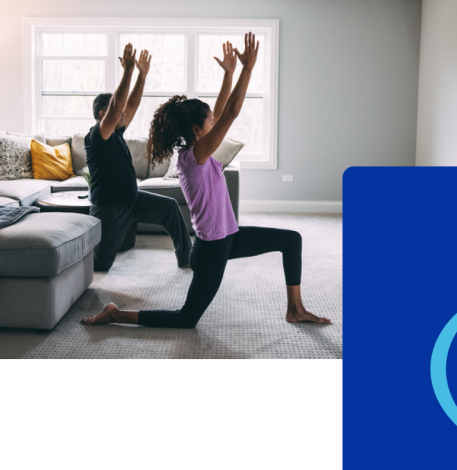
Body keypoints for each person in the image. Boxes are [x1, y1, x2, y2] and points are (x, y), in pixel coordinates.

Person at [82, 33, 330, 328]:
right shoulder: (194, 156)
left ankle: (295, 309)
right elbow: (233, 112)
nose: (216, 125)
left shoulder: (199, 151)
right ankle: (116, 314)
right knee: (186, 319)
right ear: (198, 130)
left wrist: (229, 74)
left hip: (229, 237)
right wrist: (248, 69)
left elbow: (224, 110)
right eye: (211, 123)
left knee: (291, 240)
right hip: (211, 249)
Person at [86, 43, 192, 271]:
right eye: (117, 112)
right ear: (103, 115)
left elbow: (130, 105)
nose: (124, 114)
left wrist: (142, 74)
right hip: (110, 209)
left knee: (170, 208)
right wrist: (128, 70)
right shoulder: (96, 136)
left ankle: (187, 258)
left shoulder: (116, 132)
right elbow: (118, 106)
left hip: (133, 200)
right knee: (101, 264)